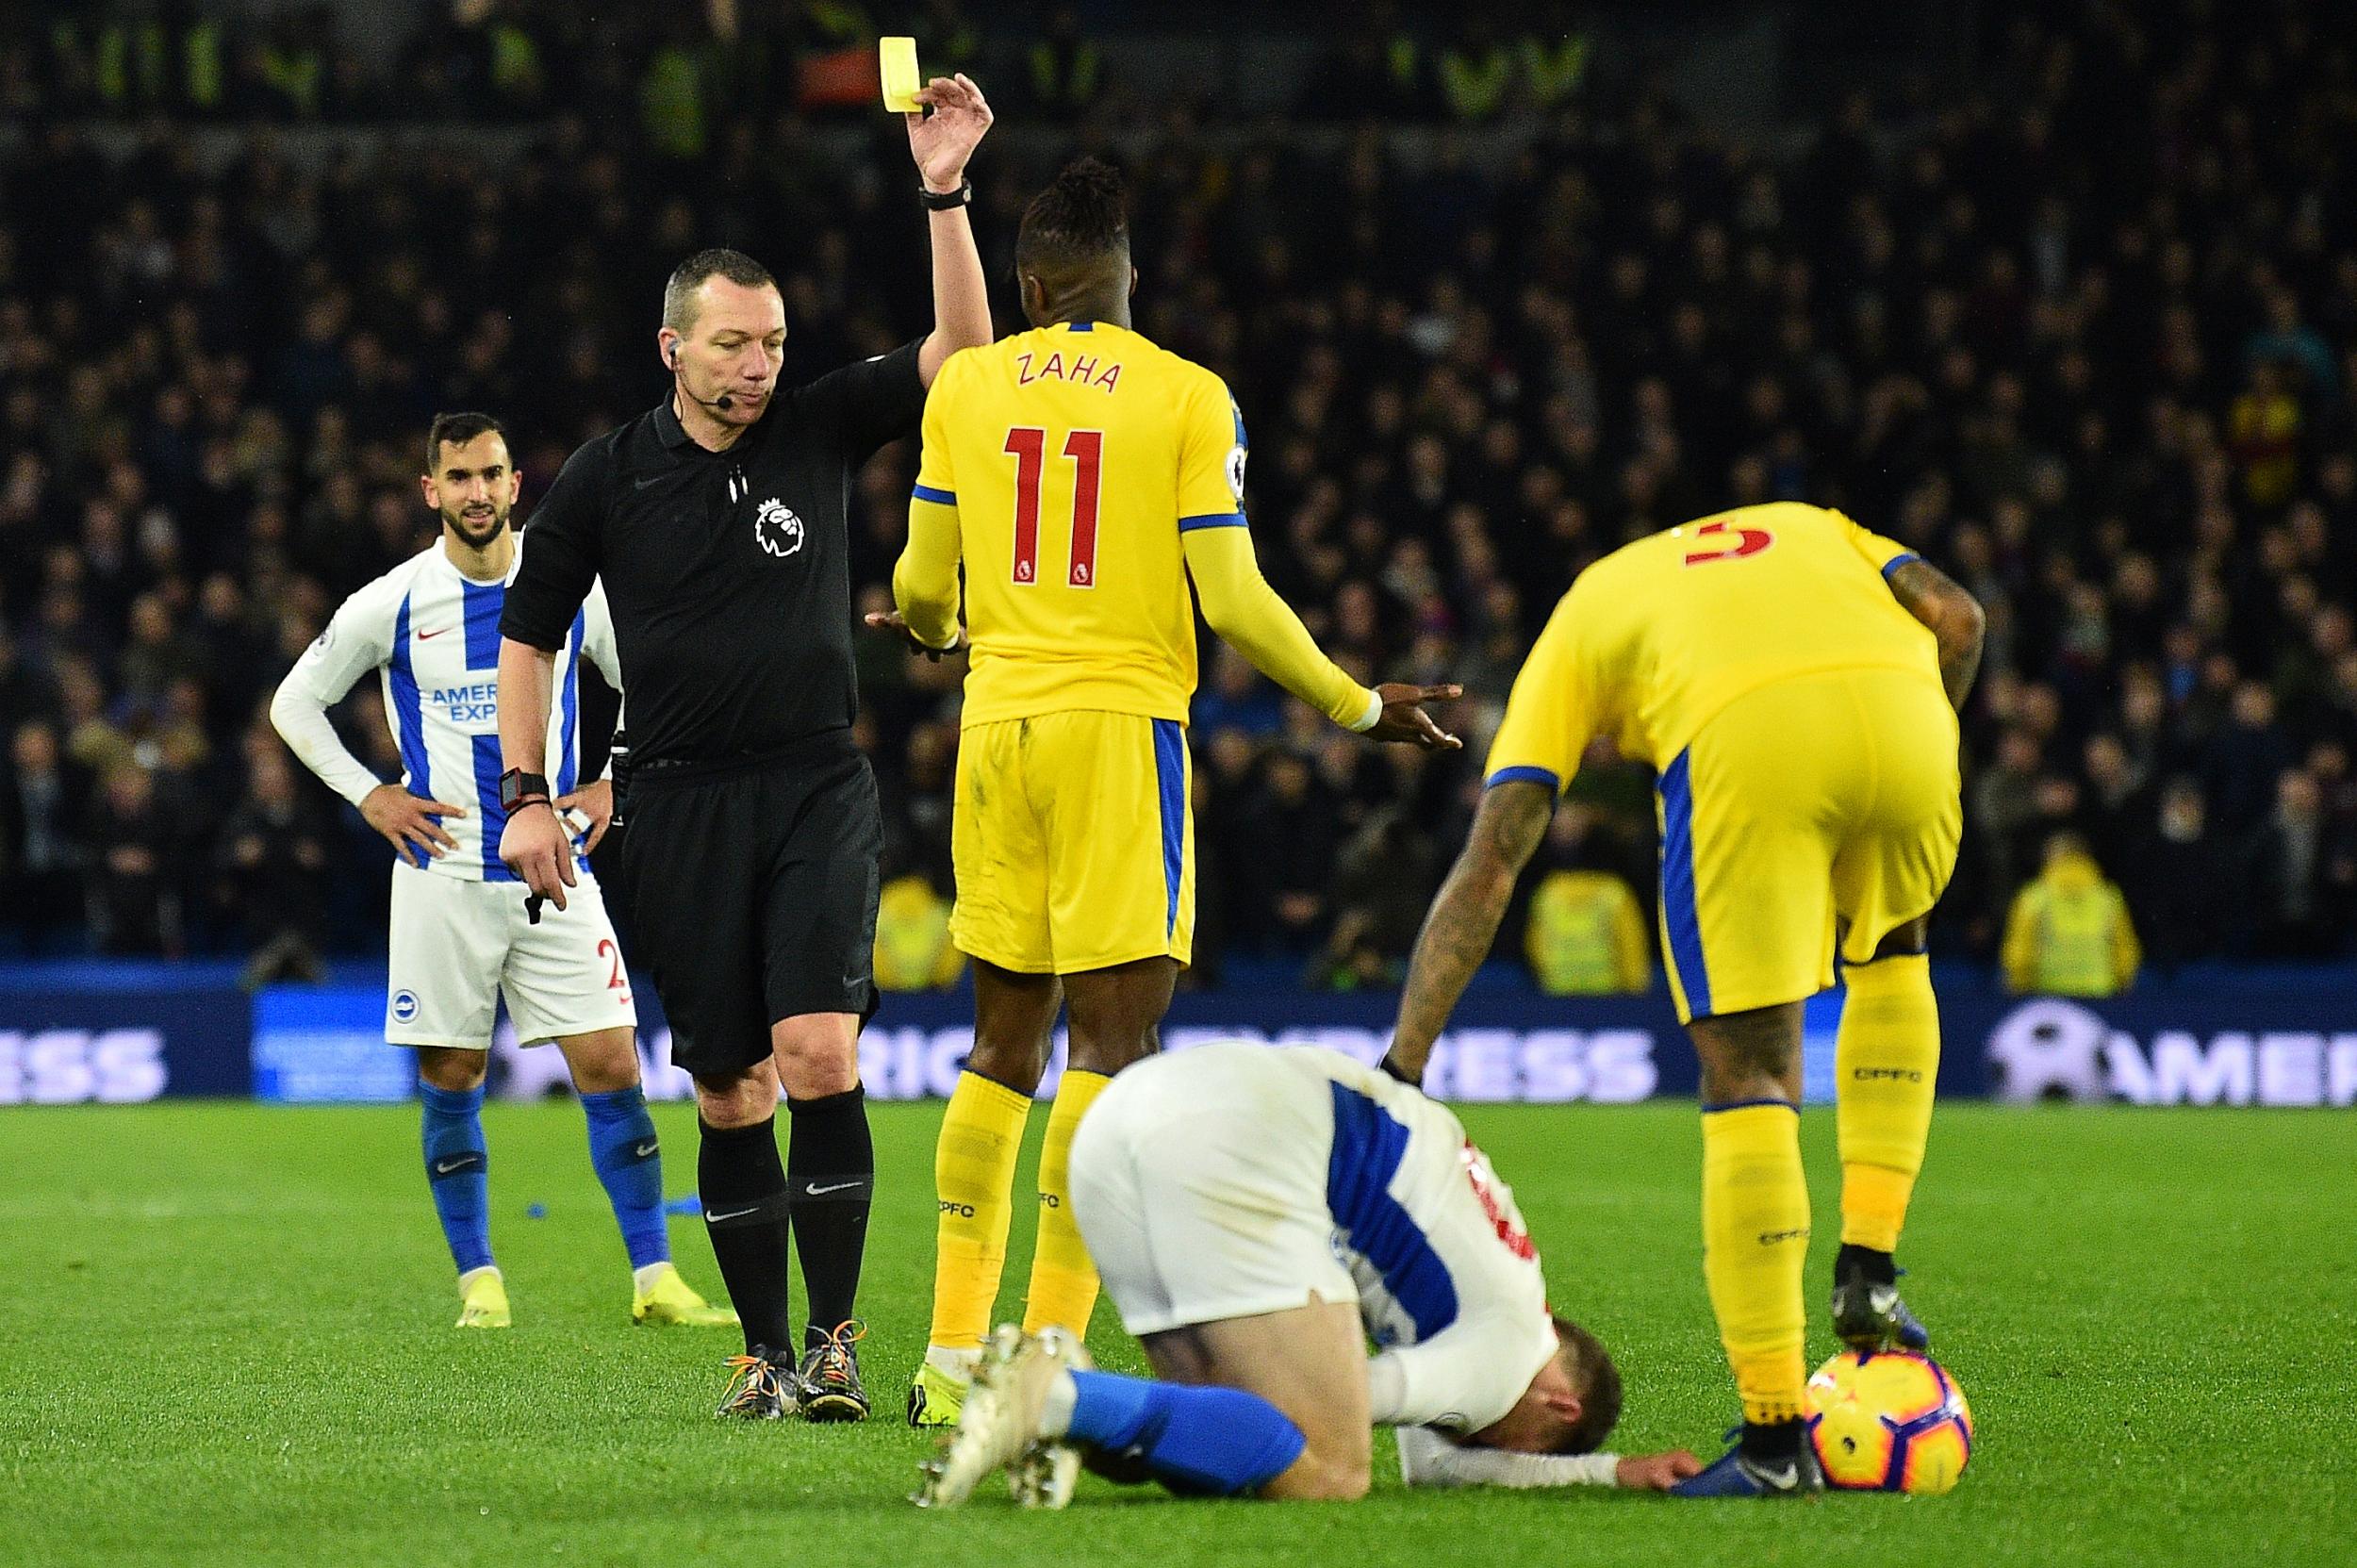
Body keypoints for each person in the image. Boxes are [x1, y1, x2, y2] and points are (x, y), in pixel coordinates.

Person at [879, 157, 1459, 1428]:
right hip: (1118, 733)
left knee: (999, 1045)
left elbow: (922, 588)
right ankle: (1045, 1357)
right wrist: (1360, 704)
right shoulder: (1190, 396)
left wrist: (942, 623)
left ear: (1028, 285)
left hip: (998, 728)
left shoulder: (966, 386)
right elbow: (1235, 595)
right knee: (1114, 1048)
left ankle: (943, 1359)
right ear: (1128, 280)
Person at [495, 74, 997, 1422]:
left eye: (770, 341)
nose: (757, 365)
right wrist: (528, 793)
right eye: (730, 345)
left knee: (820, 1051)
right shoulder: (606, 474)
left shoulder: (821, 427)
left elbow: (961, 350)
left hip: (815, 784)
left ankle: (836, 1340)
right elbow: (529, 637)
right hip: (676, 803)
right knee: (728, 1085)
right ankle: (764, 1356)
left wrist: (943, 189)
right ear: (674, 349)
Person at [1383, 502, 1986, 1496]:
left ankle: (1772, 1440)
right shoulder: (1814, 526)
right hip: (1910, 712)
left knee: (1750, 1074)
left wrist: (1403, 1063)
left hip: (1748, 745)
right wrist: (1919, 740)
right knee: (1894, 946)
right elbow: (1957, 619)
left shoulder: (1583, 616)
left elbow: (1493, 858)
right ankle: (1870, 1257)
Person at [270, 411, 729, 1332]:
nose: (477, 492)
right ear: (430, 491)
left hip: (549, 861)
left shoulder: (565, 582)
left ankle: (655, 1278)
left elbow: (648, 671)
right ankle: (479, 1280)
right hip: (443, 871)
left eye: (492, 474)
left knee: (612, 1064)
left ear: (518, 484)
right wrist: (371, 796)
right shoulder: (393, 601)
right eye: (458, 477)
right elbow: (295, 703)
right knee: (453, 1073)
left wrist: (611, 778)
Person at [912, 1041, 1702, 1508]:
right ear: (1557, 1404)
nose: (1490, 1443)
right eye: (1531, 1450)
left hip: (1119, 1121)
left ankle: (1069, 1414)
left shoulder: (1504, 1278)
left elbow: (1434, 1462)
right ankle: (1053, 1392)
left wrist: (1609, 1470)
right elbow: (1381, 1434)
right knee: (1328, 1466)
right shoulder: (1505, 1359)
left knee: (1224, 1443)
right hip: (1235, 1149)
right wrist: (1603, 1471)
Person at [2000, 832, 2141, 997]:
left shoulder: (2034, 897)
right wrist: (2124, 982)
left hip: (2047, 993)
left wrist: (2018, 984)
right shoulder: (2108, 897)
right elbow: (2125, 951)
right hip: (2100, 993)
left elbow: (2019, 954)